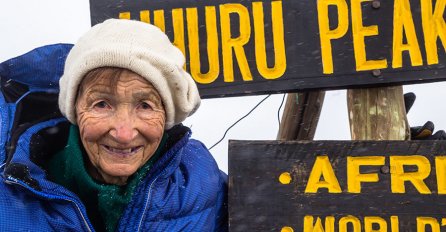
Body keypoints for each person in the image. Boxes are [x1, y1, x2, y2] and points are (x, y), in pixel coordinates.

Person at [0, 19, 227, 231]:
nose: (124, 134)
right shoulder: (9, 197)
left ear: (168, 114)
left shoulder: (201, 181)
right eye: (101, 104)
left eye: (145, 106)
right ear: (75, 109)